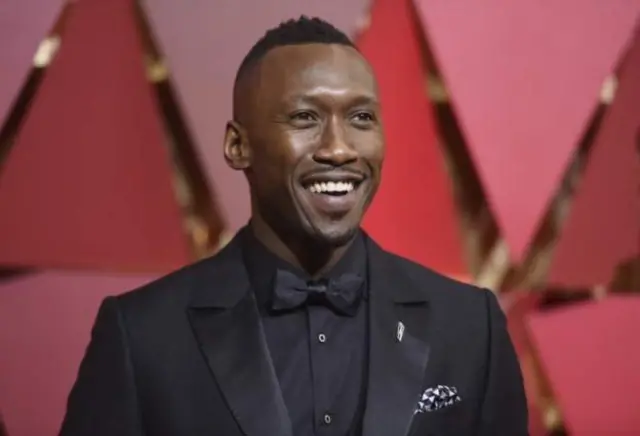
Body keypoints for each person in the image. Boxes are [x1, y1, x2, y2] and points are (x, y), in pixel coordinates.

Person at [59, 16, 527, 436]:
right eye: (305, 117)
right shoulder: (142, 335)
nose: (339, 148)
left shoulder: (470, 328)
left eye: (361, 118)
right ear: (238, 146)